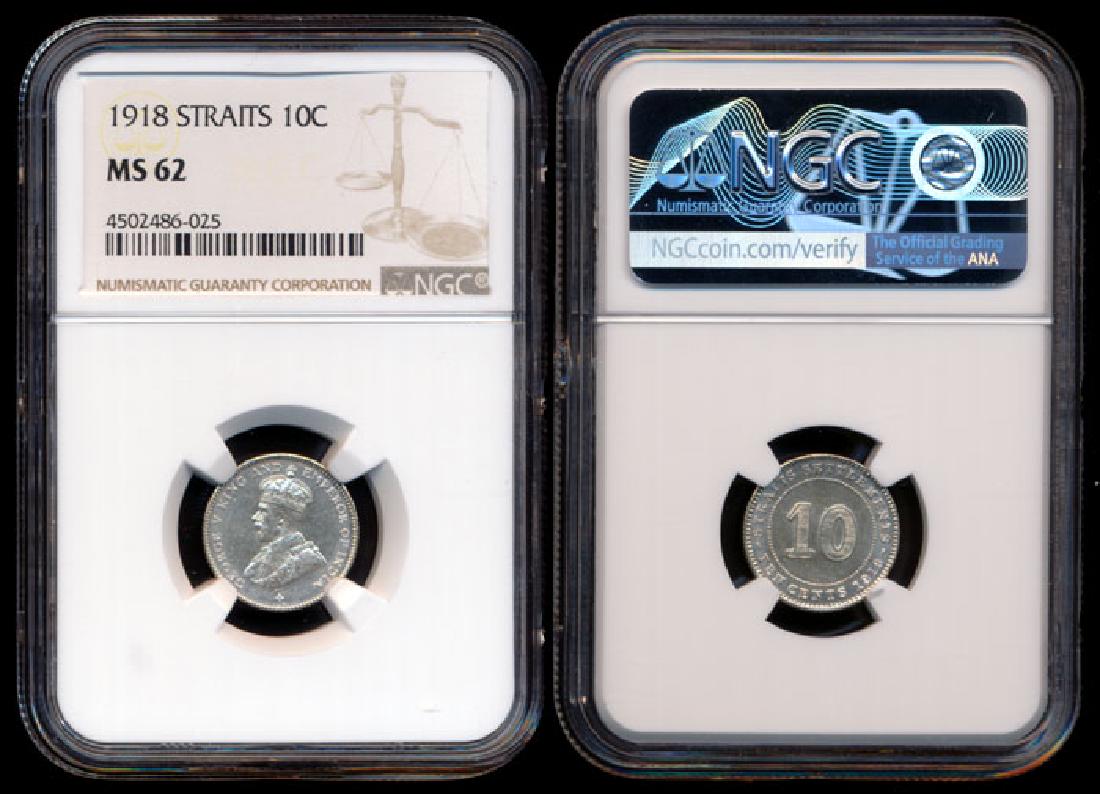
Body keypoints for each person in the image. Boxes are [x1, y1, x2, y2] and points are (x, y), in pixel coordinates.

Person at [243, 467, 327, 588]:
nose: (254, 517)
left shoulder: (309, 559)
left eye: (262, 511)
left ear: (281, 519)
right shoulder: (265, 554)